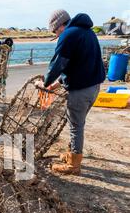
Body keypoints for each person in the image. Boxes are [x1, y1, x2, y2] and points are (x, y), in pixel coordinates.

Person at [44, 9, 105, 175]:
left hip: (80, 90)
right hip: (94, 87)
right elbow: (78, 64)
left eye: (55, 32)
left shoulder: (69, 35)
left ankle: (73, 165)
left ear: (59, 25)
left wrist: (45, 82)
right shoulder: (87, 32)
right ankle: (72, 154)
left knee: (76, 126)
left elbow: (58, 64)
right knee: (78, 123)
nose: (57, 35)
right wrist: (57, 84)